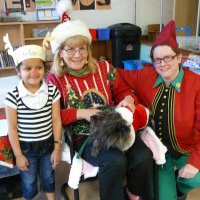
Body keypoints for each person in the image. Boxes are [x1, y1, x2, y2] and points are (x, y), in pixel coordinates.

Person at [46, 19, 154, 200]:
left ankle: (133, 193)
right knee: (114, 161)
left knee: (143, 156)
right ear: (60, 53)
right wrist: (82, 113)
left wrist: (128, 99)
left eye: (82, 48)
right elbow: (51, 115)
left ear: (88, 50)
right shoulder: (55, 79)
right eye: (70, 49)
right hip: (86, 136)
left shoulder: (103, 67)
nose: (77, 54)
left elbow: (123, 91)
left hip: (115, 127)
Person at [117, 20, 200, 200]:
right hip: (157, 149)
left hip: (186, 149)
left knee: (195, 178)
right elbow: (116, 75)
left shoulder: (196, 84)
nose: (162, 64)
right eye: (157, 60)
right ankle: (170, 188)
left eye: (168, 58)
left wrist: (195, 162)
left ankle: (180, 189)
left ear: (179, 58)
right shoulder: (146, 75)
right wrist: (127, 95)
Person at [4, 33, 62, 200]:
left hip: (48, 145)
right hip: (25, 148)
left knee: (48, 176)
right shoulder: (13, 96)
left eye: (39, 67)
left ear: (44, 68)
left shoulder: (52, 90)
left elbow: (56, 120)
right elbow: (12, 128)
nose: (34, 72)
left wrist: (57, 148)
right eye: (27, 68)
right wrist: (18, 155)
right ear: (18, 71)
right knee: (28, 181)